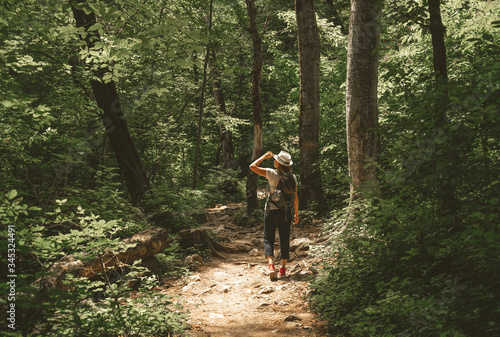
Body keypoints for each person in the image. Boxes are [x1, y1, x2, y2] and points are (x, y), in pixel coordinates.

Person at [249, 150, 299, 281]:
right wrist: (296, 213)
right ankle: (282, 270)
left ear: (279, 163)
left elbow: (252, 166)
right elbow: (295, 197)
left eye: (275, 159)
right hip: (286, 212)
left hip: (271, 210)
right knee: (284, 239)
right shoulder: (293, 177)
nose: (274, 160)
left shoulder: (272, 173)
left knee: (268, 239)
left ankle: (271, 266)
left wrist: (264, 156)